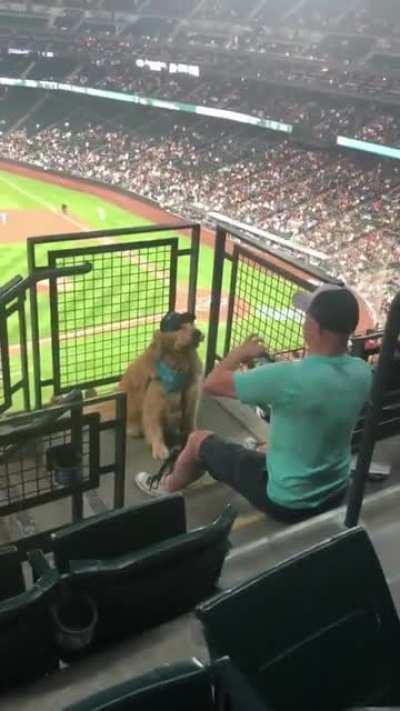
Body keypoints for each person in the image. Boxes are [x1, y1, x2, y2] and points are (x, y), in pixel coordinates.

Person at [136, 285, 372, 522]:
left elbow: (212, 384)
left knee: (198, 441)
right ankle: (259, 452)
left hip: (288, 501)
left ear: (315, 328)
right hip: (337, 489)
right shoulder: (363, 372)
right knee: (267, 443)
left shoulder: (286, 376)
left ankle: (164, 488)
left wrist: (239, 354)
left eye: (306, 317)